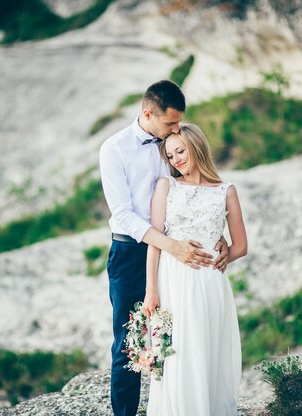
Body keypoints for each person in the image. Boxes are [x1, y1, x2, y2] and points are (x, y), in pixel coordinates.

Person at [99, 80, 230, 416]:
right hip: (131, 253)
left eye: (178, 123)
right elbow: (124, 215)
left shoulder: (171, 142)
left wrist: (219, 237)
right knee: (130, 341)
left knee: (182, 334)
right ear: (148, 113)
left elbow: (194, 186)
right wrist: (171, 246)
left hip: (179, 257)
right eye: (170, 123)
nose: (176, 130)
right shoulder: (113, 149)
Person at [143, 123, 247, 416]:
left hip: (210, 285)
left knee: (207, 352)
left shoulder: (226, 191)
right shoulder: (167, 185)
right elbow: (155, 240)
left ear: (196, 147)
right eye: (170, 155)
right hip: (173, 281)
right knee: (179, 354)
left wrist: (224, 255)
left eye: (180, 151)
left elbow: (241, 245)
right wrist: (151, 289)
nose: (175, 159)